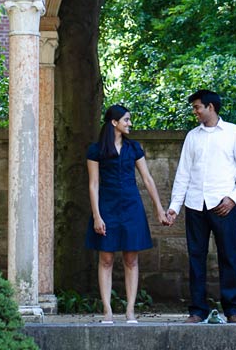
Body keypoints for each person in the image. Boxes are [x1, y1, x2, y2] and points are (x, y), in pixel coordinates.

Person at [164, 89, 236, 324]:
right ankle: (197, 310)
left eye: (197, 107)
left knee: (228, 257)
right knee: (196, 258)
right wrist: (175, 207)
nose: (195, 111)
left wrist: (233, 198)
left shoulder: (234, 133)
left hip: (223, 205)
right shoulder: (192, 136)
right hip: (195, 205)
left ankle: (233, 310)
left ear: (210, 107)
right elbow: (183, 174)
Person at [86, 104, 166, 324]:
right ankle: (107, 311)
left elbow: (147, 179)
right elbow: (93, 184)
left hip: (131, 207)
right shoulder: (96, 150)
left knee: (131, 259)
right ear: (114, 122)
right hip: (107, 207)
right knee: (106, 259)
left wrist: (159, 208)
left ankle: (130, 311)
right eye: (126, 120)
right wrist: (97, 216)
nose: (130, 124)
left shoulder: (134, 148)